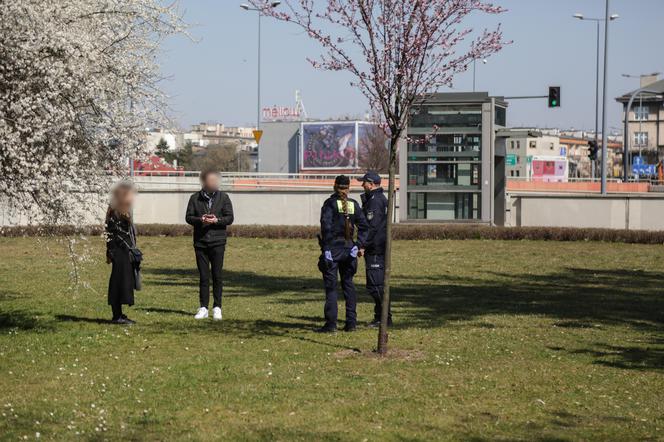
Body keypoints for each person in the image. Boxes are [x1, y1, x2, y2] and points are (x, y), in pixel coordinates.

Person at [317, 175, 368, 333]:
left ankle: (331, 324)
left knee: (331, 287)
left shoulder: (330, 204)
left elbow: (326, 228)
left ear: (334, 186)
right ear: (348, 188)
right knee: (348, 285)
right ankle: (351, 323)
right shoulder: (354, 204)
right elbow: (365, 227)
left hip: (333, 248)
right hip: (349, 249)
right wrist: (358, 244)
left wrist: (326, 249)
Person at [185, 169, 234, 321]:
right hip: (200, 242)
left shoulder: (224, 197)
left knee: (217, 275)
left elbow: (229, 218)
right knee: (203, 276)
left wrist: (216, 220)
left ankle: (217, 307)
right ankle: (203, 307)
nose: (213, 183)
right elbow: (188, 217)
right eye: (210, 180)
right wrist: (201, 219)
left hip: (218, 242)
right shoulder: (195, 198)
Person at [357, 171, 392, 327]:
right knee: (375, 284)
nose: (362, 185)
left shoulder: (375, 201)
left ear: (371, 184)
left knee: (376, 285)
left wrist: (363, 245)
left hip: (375, 248)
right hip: (376, 247)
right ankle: (380, 317)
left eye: (364, 182)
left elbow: (372, 227)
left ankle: (384, 318)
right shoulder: (375, 199)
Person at [105, 181, 139, 325]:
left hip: (123, 252)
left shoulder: (123, 210)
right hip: (120, 252)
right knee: (119, 283)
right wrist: (129, 248)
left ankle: (118, 314)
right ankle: (116, 316)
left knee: (122, 282)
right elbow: (116, 235)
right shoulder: (116, 211)